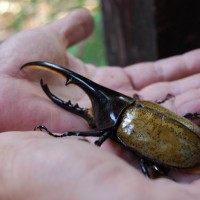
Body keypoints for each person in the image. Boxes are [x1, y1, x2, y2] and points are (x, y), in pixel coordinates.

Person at [0, 8, 199, 199]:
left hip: (181, 150)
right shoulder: (138, 105)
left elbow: (96, 135)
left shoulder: (121, 125)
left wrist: (68, 134)